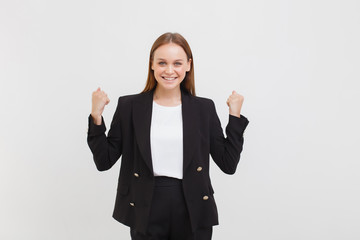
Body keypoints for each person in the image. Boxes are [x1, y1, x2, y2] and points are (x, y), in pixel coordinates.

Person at [87, 32, 249, 240]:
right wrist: (96, 116)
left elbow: (228, 164)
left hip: (192, 206)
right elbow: (104, 161)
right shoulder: (129, 107)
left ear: (188, 65)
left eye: (177, 63)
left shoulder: (203, 109)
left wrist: (234, 116)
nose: (170, 70)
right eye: (162, 63)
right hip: (146, 206)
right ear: (152, 64)